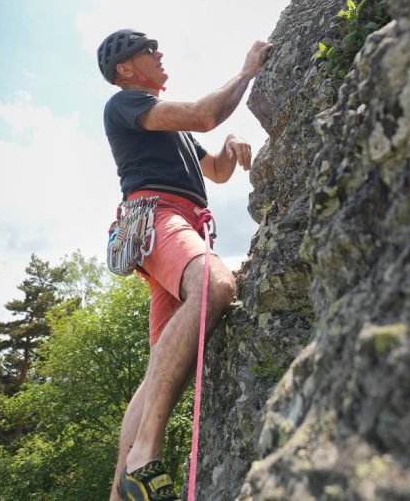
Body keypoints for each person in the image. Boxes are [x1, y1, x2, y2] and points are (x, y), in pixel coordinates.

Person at [97, 29, 272, 501]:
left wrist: (232, 142)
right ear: (125, 69)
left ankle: (120, 493)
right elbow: (204, 114)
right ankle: (143, 456)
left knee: (159, 369)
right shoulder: (126, 104)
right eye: (148, 51)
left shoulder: (163, 124)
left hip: (173, 226)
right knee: (215, 283)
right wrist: (247, 72)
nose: (159, 54)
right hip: (159, 217)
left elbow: (214, 168)